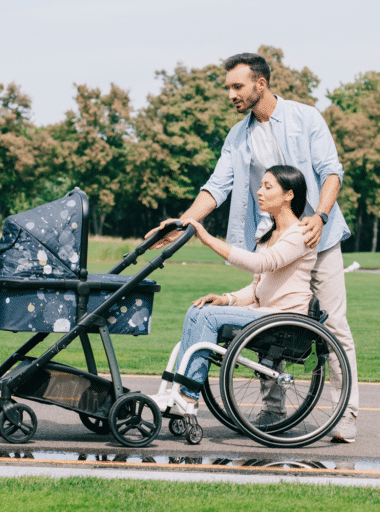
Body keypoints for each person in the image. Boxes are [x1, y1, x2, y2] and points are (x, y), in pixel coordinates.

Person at [145, 52, 358, 443]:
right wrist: (182, 223)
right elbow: (216, 187)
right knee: (266, 314)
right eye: (228, 87)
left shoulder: (304, 117)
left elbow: (331, 171)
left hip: (316, 236)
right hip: (272, 237)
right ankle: (273, 410)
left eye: (237, 86)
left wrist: (321, 215)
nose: (231, 94)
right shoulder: (238, 135)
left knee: (335, 327)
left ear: (261, 84)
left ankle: (346, 414)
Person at [148, 165, 315, 423]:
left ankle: (188, 397)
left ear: (288, 195)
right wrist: (225, 298)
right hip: (264, 314)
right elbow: (257, 289)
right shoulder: (269, 235)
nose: (259, 192)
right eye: (260, 186)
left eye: (268, 187)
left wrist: (206, 238)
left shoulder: (300, 234)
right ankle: (178, 391)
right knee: (199, 309)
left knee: (208, 318)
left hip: (284, 319)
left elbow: (261, 264)